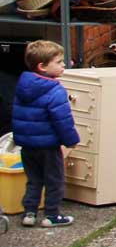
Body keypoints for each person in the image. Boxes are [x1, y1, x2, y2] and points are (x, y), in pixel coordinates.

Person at [12, 40, 79, 228]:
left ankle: (29, 212)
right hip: (48, 146)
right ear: (42, 66)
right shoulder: (55, 90)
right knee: (54, 180)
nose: (64, 65)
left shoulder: (23, 85)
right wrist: (71, 140)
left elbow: (18, 114)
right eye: (59, 62)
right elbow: (62, 120)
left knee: (33, 179)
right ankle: (51, 215)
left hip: (27, 145)